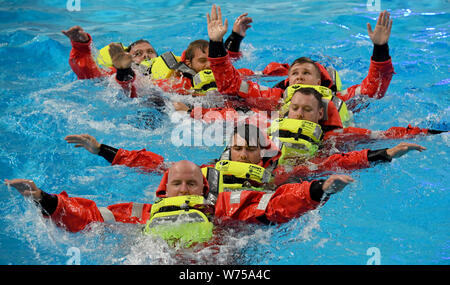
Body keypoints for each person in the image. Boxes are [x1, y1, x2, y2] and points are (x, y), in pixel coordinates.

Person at [4, 161, 355, 242]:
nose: (185, 189)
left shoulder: (227, 208)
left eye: (192, 184)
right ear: (164, 191)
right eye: (178, 184)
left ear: (204, 190)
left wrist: (318, 189)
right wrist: (44, 200)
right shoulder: (139, 213)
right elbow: (87, 214)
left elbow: (277, 203)